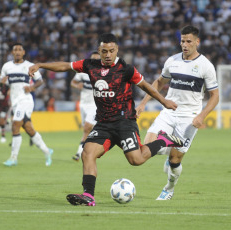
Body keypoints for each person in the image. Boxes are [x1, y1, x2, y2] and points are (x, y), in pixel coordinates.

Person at [29, 33, 183, 206]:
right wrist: (41, 65)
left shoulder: (126, 69)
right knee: (88, 152)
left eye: (111, 51)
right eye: (104, 51)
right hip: (103, 123)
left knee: (136, 160)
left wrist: (165, 102)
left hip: (125, 122)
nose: (108, 55)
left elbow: (147, 87)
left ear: (117, 50)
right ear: (99, 51)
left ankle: (163, 140)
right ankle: (88, 196)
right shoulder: (90, 65)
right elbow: (66, 66)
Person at [136, 25, 219, 200]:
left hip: (189, 118)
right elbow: (159, 82)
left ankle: (169, 188)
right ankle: (169, 143)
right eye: (182, 41)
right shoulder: (172, 60)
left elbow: (215, 96)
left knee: (175, 160)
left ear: (197, 42)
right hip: (169, 111)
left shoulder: (206, 66)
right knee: (146, 146)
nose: (185, 45)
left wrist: (201, 116)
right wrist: (143, 103)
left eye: (189, 41)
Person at [0, 43, 53, 167]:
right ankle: (47, 151)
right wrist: (1, 83)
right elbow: (2, 83)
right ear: (12, 53)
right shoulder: (6, 66)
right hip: (15, 102)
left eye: (20, 50)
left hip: (26, 100)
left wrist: (32, 87)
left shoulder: (29, 66)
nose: (17, 52)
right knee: (28, 128)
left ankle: (13, 158)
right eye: (15, 50)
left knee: (15, 124)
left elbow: (40, 80)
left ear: (23, 52)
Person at [71, 51, 100, 161]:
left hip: (94, 105)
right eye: (93, 59)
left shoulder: (102, 73)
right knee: (86, 130)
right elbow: (72, 82)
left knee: (87, 128)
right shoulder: (83, 72)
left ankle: (79, 153)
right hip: (83, 104)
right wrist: (77, 85)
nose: (95, 61)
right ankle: (88, 149)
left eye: (97, 59)